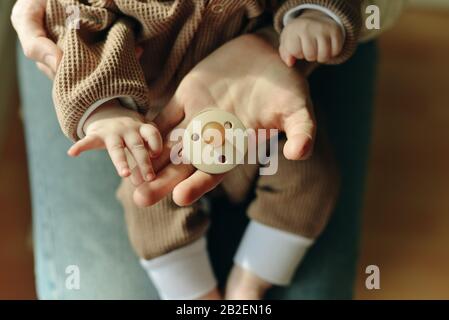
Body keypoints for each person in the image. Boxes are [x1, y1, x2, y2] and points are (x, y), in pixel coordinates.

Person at [11, 0, 394, 299]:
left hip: (265, 95)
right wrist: (106, 110)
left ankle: (251, 280)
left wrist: (313, 16)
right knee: (148, 200)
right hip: (163, 119)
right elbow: (80, 29)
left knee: (311, 178)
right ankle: (195, 295)